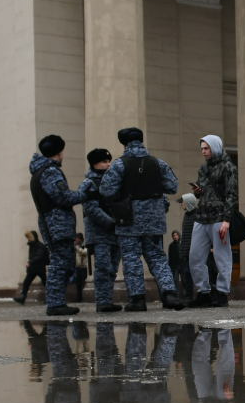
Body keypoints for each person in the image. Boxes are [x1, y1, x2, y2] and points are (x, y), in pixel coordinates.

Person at [100, 126, 183, 310]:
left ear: (124, 143)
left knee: (131, 258)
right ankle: (169, 294)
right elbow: (172, 186)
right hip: (154, 218)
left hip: (129, 219)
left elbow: (106, 190)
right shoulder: (158, 163)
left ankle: (137, 300)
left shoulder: (120, 164)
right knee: (158, 257)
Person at [26, 133, 86, 316]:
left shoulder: (38, 171)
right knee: (61, 263)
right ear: (58, 152)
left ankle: (56, 302)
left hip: (49, 221)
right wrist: (85, 193)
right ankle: (55, 303)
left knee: (60, 262)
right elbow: (62, 196)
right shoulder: (50, 171)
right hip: (57, 222)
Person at [184, 133, 237, 307]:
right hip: (201, 216)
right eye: (202, 149)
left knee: (222, 257)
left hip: (219, 217)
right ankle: (203, 293)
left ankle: (222, 293)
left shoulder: (228, 166)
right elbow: (201, 193)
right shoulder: (204, 168)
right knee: (195, 256)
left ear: (215, 147)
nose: (204, 152)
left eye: (206, 148)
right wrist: (197, 191)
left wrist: (227, 220)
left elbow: (231, 194)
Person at [78, 148, 122, 313]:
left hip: (115, 231)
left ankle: (107, 300)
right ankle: (102, 302)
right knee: (103, 268)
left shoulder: (113, 181)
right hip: (100, 233)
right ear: (95, 163)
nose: (108, 164)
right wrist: (111, 222)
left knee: (112, 269)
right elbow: (91, 208)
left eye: (109, 160)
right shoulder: (89, 183)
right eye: (104, 161)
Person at [14, 229, 48, 305]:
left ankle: (50, 298)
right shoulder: (32, 245)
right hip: (33, 269)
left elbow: (39, 256)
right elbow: (32, 256)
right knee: (26, 282)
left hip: (40, 268)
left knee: (45, 283)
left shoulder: (40, 246)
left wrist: (30, 262)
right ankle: (23, 297)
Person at [166, 230, 188, 301]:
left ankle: (185, 295)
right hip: (174, 266)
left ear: (179, 236)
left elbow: (185, 254)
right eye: (173, 236)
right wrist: (170, 266)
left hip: (182, 265)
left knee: (184, 280)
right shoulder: (171, 245)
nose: (175, 237)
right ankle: (177, 296)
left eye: (176, 235)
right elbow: (170, 256)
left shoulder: (182, 244)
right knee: (175, 281)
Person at [71, 232, 88, 303]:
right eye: (75, 240)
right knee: (77, 284)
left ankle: (80, 297)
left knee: (81, 283)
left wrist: (77, 247)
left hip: (83, 268)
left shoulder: (84, 248)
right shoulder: (74, 249)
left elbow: (83, 253)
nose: (76, 241)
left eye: (77, 239)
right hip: (76, 268)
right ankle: (78, 298)